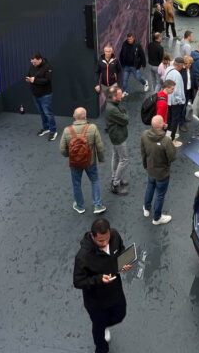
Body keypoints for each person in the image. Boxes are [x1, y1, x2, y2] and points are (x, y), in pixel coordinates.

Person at [73, 218, 133, 353]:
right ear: (92, 236)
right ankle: (101, 348)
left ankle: (104, 324)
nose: (105, 243)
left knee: (120, 315)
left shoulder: (115, 236)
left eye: (107, 239)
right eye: (101, 241)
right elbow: (78, 281)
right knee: (99, 328)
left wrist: (122, 262)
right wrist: (99, 279)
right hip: (96, 301)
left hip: (115, 291)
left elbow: (121, 249)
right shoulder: (83, 256)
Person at [60, 107, 107, 215]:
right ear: (85, 117)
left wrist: (71, 156)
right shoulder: (92, 128)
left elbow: (62, 149)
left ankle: (80, 206)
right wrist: (101, 158)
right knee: (94, 180)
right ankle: (97, 205)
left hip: (75, 164)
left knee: (76, 184)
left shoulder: (67, 130)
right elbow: (100, 146)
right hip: (90, 161)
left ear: (74, 116)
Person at [141, 115, 176, 226]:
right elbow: (172, 157)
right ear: (161, 125)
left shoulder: (145, 135)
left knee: (150, 187)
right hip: (162, 173)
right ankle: (157, 218)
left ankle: (146, 209)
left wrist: (146, 166)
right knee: (160, 195)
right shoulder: (166, 140)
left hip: (150, 169)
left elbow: (143, 152)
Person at [103, 86, 130, 196]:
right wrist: (125, 114)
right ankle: (116, 184)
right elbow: (125, 119)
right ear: (114, 97)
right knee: (124, 159)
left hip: (115, 135)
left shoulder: (113, 105)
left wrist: (124, 113)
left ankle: (115, 178)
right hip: (118, 136)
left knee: (116, 157)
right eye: (120, 95)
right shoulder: (112, 109)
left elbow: (123, 113)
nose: (122, 96)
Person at [27, 52, 57, 140]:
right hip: (35, 94)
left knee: (48, 113)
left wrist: (34, 80)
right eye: (32, 62)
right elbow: (29, 74)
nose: (33, 64)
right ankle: (46, 128)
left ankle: (53, 131)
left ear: (40, 59)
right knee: (42, 113)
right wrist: (29, 79)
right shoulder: (32, 66)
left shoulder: (48, 67)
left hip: (45, 95)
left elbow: (47, 80)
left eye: (35, 62)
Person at [163, 57, 187, 146]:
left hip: (168, 99)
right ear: (180, 65)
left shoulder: (168, 69)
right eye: (183, 65)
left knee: (169, 119)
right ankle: (172, 140)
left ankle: (168, 135)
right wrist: (180, 101)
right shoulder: (177, 74)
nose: (183, 67)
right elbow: (178, 91)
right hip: (175, 102)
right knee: (174, 120)